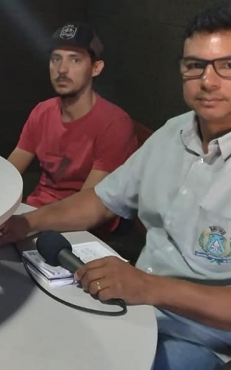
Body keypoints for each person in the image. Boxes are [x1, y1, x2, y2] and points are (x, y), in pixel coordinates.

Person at [0, 2, 231, 369]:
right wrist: (25, 223)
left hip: (210, 337)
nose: (208, 81)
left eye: (229, 65)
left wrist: (149, 287)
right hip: (139, 306)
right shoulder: (173, 132)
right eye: (194, 65)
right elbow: (101, 200)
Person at [7, 21, 137, 237]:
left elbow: (88, 206)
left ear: (96, 68)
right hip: (36, 214)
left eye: (75, 60)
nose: (62, 69)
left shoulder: (115, 124)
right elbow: (10, 171)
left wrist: (28, 223)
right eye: (56, 59)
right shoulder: (42, 111)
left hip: (84, 227)